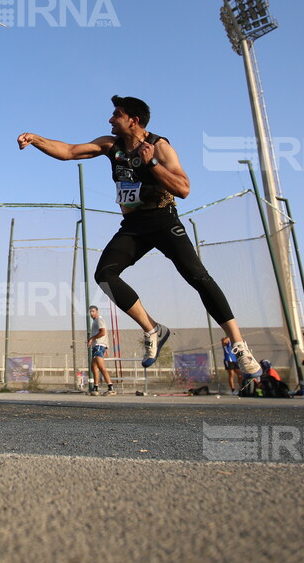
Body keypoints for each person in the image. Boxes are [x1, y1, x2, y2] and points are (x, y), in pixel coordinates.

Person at [18, 95, 261, 380]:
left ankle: (239, 344)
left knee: (197, 275)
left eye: (116, 114)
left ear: (133, 120)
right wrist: (36, 139)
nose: (110, 119)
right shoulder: (111, 146)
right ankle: (153, 329)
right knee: (105, 275)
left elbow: (184, 188)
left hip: (163, 219)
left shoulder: (159, 146)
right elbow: (70, 151)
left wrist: (153, 164)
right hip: (133, 224)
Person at [88, 306, 115, 395]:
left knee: (101, 367)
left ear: (97, 312)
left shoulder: (99, 320)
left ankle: (110, 388)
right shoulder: (95, 321)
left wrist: (92, 338)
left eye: (93, 311)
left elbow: (103, 332)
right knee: (94, 367)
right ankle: (95, 388)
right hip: (97, 346)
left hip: (99, 346)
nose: (92, 313)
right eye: (90, 312)